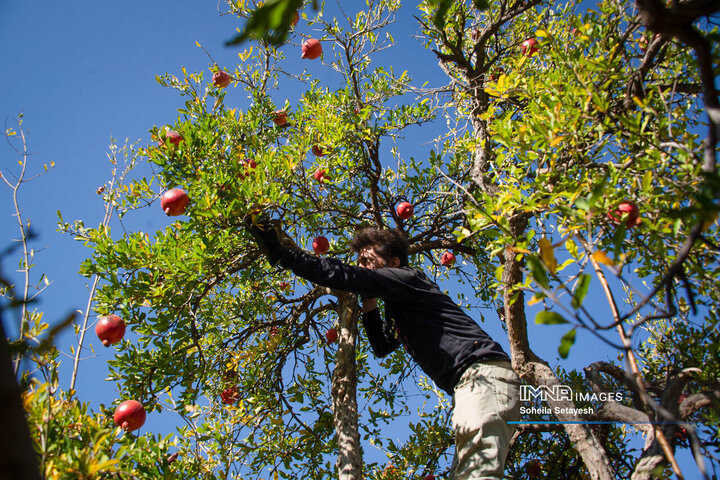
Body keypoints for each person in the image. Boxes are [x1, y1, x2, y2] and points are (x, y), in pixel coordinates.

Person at [247, 218, 521, 479]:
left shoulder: (408, 278)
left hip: (482, 376)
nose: (362, 267)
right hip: (469, 386)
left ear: (393, 262)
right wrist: (370, 304)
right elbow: (381, 345)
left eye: (367, 261)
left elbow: (343, 275)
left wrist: (282, 254)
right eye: (359, 263)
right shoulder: (400, 308)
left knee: (477, 475)